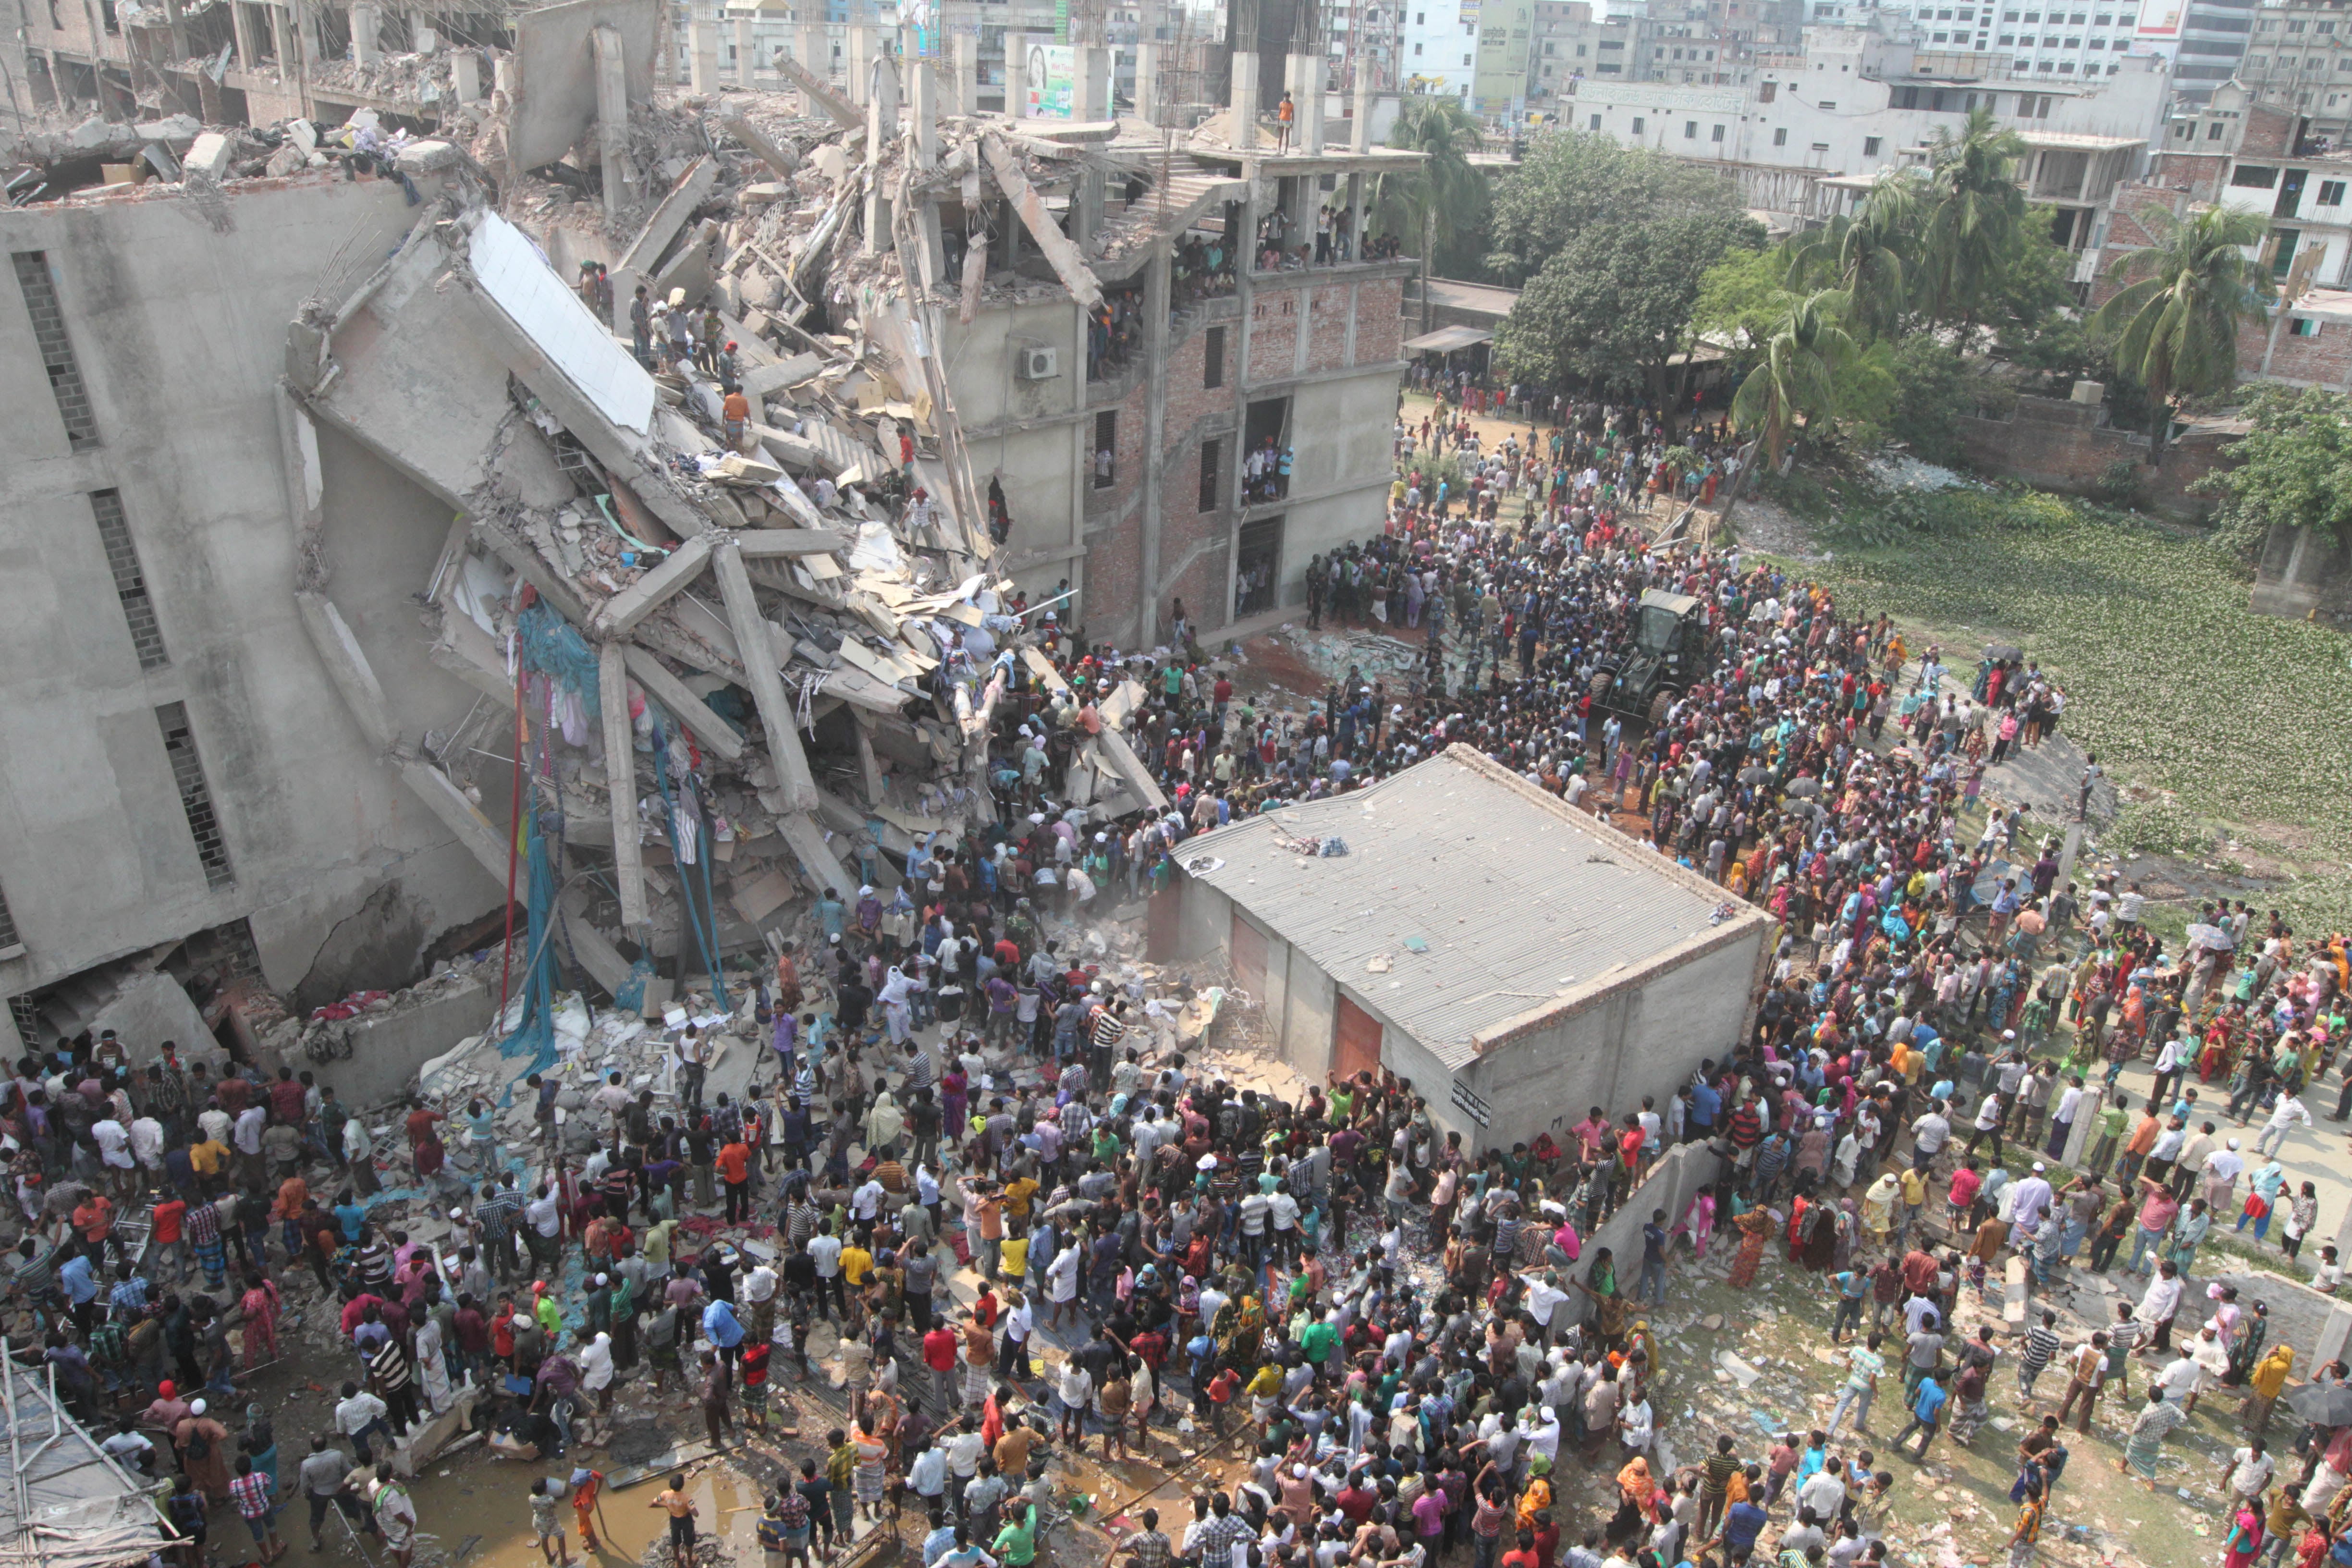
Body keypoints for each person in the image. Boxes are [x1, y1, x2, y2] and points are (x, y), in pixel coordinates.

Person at [651, 1472, 698, 1568]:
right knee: (689, 1542)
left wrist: (666, 1506)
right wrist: (687, 1508)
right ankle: (690, 1562)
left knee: (675, 1542)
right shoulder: (687, 1497)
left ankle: (678, 1562)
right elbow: (696, 1514)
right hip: (686, 1520)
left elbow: (652, 1504)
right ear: (682, 1486)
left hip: (674, 1520)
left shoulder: (665, 1494)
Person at [532, 1477, 575, 1568]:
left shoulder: (531, 1498)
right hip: (551, 1522)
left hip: (538, 1522)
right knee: (561, 1536)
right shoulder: (549, 1499)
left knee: (544, 1539)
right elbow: (556, 1506)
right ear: (545, 1489)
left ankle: (549, 1558)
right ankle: (564, 1561)